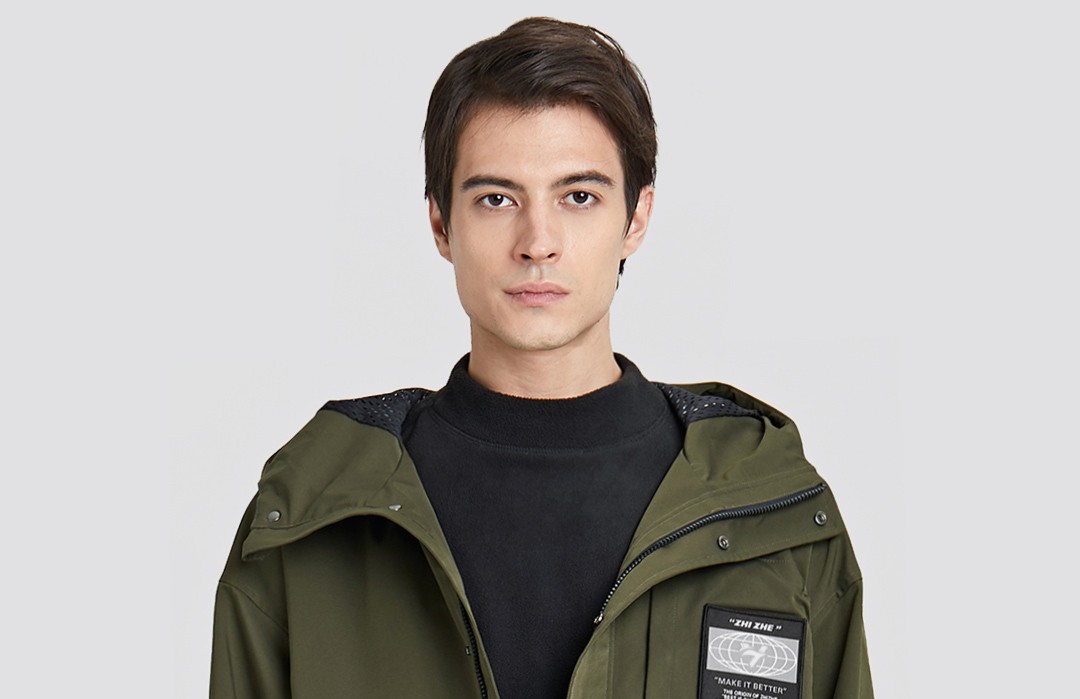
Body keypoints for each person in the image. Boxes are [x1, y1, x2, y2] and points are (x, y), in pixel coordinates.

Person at [210, 17, 873, 699]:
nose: (537, 241)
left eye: (578, 197)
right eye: (496, 199)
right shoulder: (311, 518)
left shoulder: (775, 516)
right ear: (441, 223)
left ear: (636, 218)